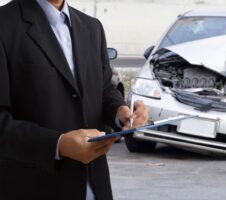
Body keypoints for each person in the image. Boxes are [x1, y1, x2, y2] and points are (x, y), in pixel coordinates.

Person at [0, 0, 148, 199]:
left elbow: (104, 88)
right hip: (33, 186)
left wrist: (121, 111)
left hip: (95, 185)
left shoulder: (91, 27)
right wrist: (58, 145)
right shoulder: (5, 24)